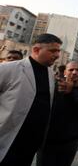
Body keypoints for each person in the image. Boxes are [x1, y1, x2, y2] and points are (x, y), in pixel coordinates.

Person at [0, 33, 62, 166]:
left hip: (31, 144)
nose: (57, 55)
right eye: (53, 51)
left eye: (58, 51)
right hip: (8, 140)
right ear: (36, 50)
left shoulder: (50, 74)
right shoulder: (8, 69)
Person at [37, 61, 78, 166]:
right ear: (65, 72)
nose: (75, 72)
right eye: (71, 70)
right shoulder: (53, 88)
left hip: (70, 142)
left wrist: (71, 92)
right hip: (48, 141)